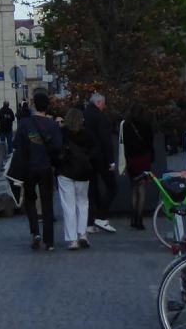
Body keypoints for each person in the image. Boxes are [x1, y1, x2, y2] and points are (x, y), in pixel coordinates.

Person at [13, 91, 62, 251]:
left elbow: (17, 147)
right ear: (47, 106)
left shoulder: (24, 124)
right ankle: (50, 241)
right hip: (46, 167)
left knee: (30, 201)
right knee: (47, 204)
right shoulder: (53, 125)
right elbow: (58, 147)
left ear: (34, 105)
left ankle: (35, 233)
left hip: (29, 168)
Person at [58, 106, 96, 250]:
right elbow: (93, 152)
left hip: (66, 171)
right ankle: (83, 234)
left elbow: (56, 150)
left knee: (68, 206)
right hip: (83, 172)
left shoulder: (62, 132)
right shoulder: (88, 134)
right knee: (83, 203)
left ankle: (72, 239)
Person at [83, 91, 117, 234]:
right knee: (112, 187)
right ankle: (101, 217)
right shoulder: (100, 117)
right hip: (101, 157)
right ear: (98, 103)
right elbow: (105, 140)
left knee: (92, 190)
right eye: (103, 103)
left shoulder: (84, 114)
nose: (104, 106)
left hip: (87, 157)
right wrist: (111, 161)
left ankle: (90, 222)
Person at [122, 105, 155, 230]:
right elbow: (150, 142)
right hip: (143, 158)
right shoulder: (146, 125)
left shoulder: (126, 125)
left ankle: (133, 217)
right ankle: (139, 218)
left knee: (133, 187)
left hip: (130, 158)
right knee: (142, 188)